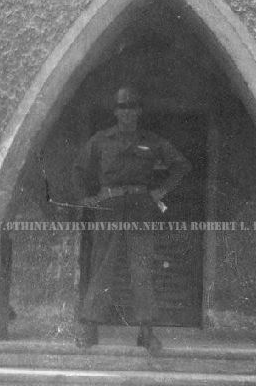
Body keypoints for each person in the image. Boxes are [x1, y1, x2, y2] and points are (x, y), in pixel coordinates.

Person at [72, 86, 191, 354]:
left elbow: (181, 165)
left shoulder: (152, 141)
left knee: (142, 268)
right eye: (122, 108)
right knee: (102, 265)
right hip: (110, 206)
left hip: (140, 207)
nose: (127, 113)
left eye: (132, 108)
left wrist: (161, 191)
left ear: (139, 112)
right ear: (116, 112)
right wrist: (87, 199)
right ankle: (91, 328)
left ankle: (146, 332)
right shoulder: (101, 140)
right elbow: (78, 169)